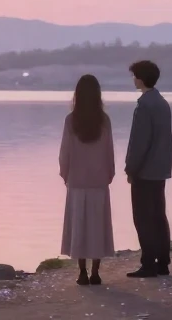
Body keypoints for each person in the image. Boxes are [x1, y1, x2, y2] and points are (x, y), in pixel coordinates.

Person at [58, 74, 116, 286]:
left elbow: (65, 152)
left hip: (77, 181)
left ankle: (82, 272)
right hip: (99, 181)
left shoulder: (71, 120)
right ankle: (96, 273)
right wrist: (109, 173)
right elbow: (109, 151)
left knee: (79, 227)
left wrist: (65, 174)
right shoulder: (104, 120)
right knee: (97, 226)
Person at [124, 60, 172, 278]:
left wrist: (131, 168)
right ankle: (162, 262)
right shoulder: (162, 103)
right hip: (160, 168)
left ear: (141, 78)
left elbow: (139, 142)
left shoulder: (144, 105)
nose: (133, 79)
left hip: (145, 170)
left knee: (143, 217)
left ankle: (148, 263)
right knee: (158, 216)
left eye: (135, 76)